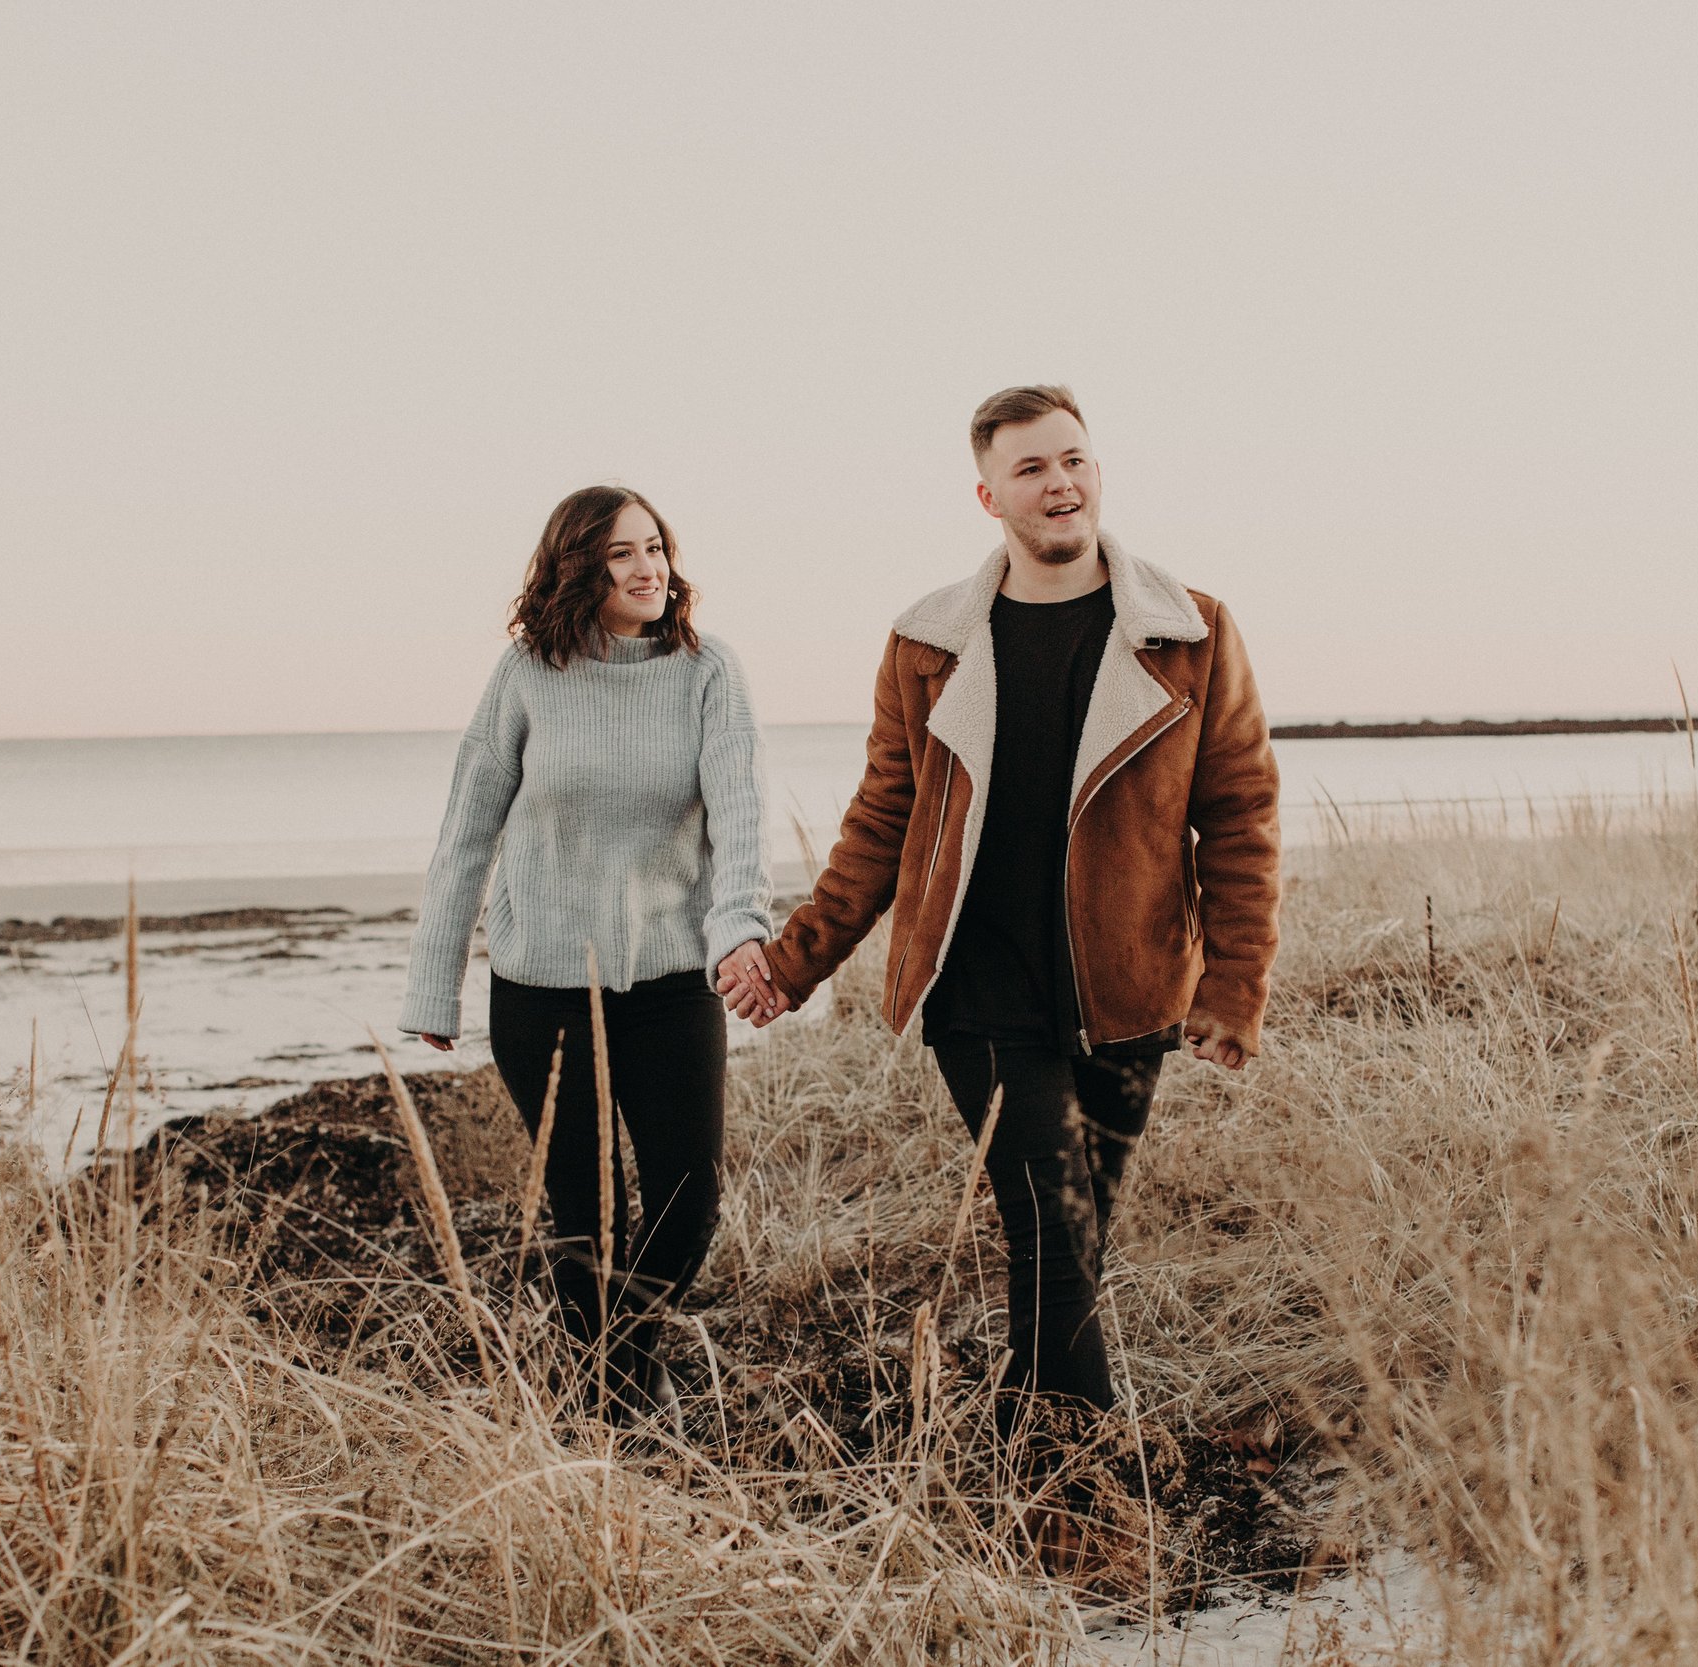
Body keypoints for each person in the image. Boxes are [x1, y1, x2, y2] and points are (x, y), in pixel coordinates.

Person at [723, 384, 1281, 1442]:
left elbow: (1241, 816)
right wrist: (795, 961)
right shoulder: (927, 642)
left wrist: (1232, 989)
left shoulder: (1189, 630)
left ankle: (1025, 1433)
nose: (1060, 482)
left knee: (1074, 1234)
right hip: (975, 982)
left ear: (1096, 471)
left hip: (1127, 987)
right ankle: (1089, 1467)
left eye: (1074, 459)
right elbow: (883, 817)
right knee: (1053, 1223)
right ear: (989, 496)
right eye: (1031, 468)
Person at [402, 484, 775, 1420]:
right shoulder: (530, 671)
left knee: (686, 1208)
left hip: (670, 983)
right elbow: (466, 832)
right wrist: (432, 988)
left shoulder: (707, 672)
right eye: (621, 554)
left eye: (655, 547)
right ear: (579, 568)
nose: (649, 567)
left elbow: (740, 821)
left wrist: (741, 931)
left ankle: (613, 1365)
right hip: (541, 989)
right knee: (588, 1214)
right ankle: (609, 1411)